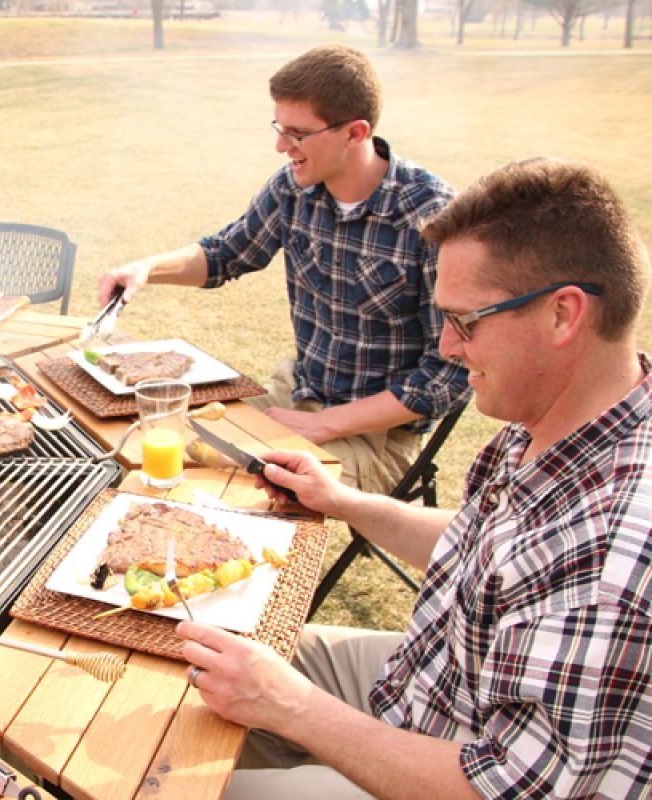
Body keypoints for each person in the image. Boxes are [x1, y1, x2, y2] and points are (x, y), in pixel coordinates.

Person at [178, 157, 652, 799]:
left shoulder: (615, 551)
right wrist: (343, 501)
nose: (450, 349)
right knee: (208, 660)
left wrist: (292, 709)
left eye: (465, 322)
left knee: (176, 783)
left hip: (466, 773)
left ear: (563, 314)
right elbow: (486, 547)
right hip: (436, 680)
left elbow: (508, 789)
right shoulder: (572, 414)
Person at [98, 44, 469, 495]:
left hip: (378, 434)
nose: (281, 147)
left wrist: (326, 425)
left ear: (354, 133)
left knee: (240, 488)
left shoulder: (432, 216)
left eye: (297, 134)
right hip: (294, 393)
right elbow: (227, 253)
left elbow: (448, 376)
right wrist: (144, 269)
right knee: (160, 441)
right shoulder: (294, 189)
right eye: (280, 129)